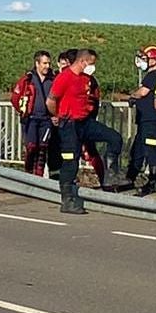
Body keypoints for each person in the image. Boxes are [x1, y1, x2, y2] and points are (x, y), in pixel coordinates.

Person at [46, 49, 127, 214]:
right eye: (92, 63)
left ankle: (111, 173)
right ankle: (67, 200)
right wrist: (58, 115)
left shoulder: (86, 79)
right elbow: (50, 101)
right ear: (83, 61)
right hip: (69, 124)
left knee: (114, 138)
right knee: (71, 162)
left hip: (85, 122)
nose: (93, 67)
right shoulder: (65, 77)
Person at [45, 50, 106, 181]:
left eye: (66, 63)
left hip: (79, 122)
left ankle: (103, 180)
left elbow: (93, 101)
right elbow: (52, 100)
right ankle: (60, 181)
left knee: (86, 152)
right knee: (60, 153)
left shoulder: (87, 80)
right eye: (61, 63)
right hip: (63, 123)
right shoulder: (59, 78)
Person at [121, 45, 156, 196]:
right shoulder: (152, 75)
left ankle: (153, 182)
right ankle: (130, 177)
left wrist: (131, 96)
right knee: (138, 149)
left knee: (151, 149)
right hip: (145, 119)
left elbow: (142, 92)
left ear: (153, 60)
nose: (140, 62)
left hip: (152, 119)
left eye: (144, 59)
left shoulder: (154, 75)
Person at [10, 51, 56, 175]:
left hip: (46, 120)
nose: (47, 66)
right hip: (31, 119)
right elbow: (15, 98)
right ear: (37, 63)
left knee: (42, 150)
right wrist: (22, 111)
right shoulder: (27, 79)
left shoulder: (53, 79)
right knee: (31, 147)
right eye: (44, 63)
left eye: (48, 63)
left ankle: (38, 179)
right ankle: (28, 174)